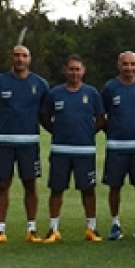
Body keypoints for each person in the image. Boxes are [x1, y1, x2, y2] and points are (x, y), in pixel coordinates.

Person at [0, 45, 49, 245]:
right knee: (1, 185)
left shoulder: (40, 84)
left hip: (29, 143)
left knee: (30, 184)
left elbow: (44, 114)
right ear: (11, 58)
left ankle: (31, 229)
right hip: (3, 142)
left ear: (30, 59)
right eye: (17, 55)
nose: (20, 59)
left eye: (24, 56)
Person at [39, 55, 106, 243]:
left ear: (83, 71)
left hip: (85, 151)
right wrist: (58, 132)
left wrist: (86, 133)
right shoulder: (55, 93)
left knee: (88, 190)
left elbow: (101, 119)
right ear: (65, 71)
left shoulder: (92, 93)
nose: (74, 73)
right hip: (60, 150)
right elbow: (44, 117)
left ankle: (91, 228)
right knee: (57, 189)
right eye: (71, 69)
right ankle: (53, 229)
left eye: (77, 69)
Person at [101, 51, 135, 241]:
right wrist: (113, 130)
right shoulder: (110, 88)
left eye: (132, 64)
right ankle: (115, 224)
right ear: (119, 65)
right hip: (116, 146)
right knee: (114, 186)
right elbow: (102, 114)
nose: (129, 68)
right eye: (125, 64)